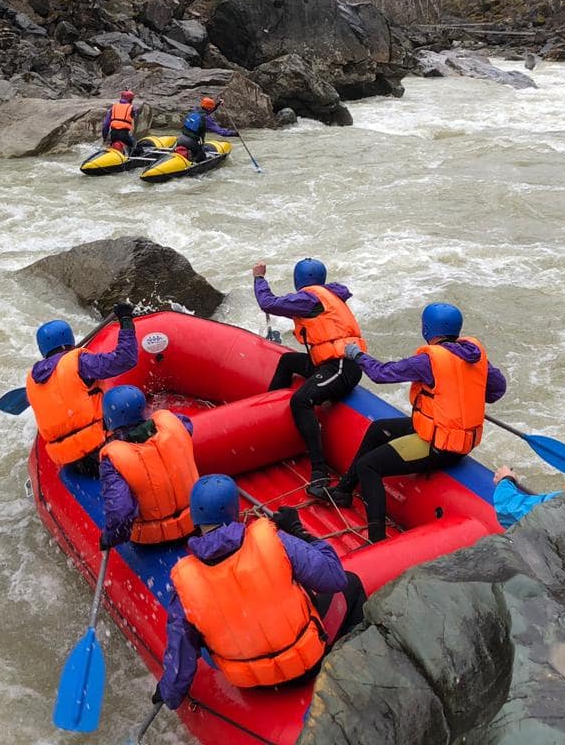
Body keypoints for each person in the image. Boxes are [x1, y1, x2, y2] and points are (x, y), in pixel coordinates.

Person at [154, 475, 366, 710]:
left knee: (197, 630)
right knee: (352, 582)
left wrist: (168, 693)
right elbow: (334, 578)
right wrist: (298, 531)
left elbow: (181, 648)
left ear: (194, 517)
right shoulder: (273, 539)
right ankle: (361, 663)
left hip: (251, 683)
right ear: (235, 511)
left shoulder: (185, 582)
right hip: (306, 666)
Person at [321, 303, 507, 544]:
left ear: (427, 329)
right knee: (378, 429)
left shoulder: (428, 361)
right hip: (453, 436)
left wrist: (357, 355)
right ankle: (343, 491)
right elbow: (496, 390)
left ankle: (377, 540)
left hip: (440, 446)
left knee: (369, 466)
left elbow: (381, 374)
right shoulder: (475, 355)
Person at [253, 258, 366, 497]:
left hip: (342, 367)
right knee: (288, 361)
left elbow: (267, 303)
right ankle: (267, 416)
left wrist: (259, 278)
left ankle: (319, 471)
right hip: (327, 362)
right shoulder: (330, 294)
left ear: (299, 280)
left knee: (301, 400)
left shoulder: (309, 299)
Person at [26, 302, 139, 475]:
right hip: (99, 449)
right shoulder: (80, 362)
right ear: (70, 338)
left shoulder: (32, 380)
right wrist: (125, 319)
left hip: (69, 460)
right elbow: (125, 359)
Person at [97, 385, 200, 549]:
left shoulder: (112, 459)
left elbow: (121, 513)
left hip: (154, 539)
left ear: (109, 420)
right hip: (197, 518)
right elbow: (187, 426)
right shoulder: (173, 422)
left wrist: (109, 539)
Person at [178, 96, 236, 163]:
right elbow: (222, 132)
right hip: (193, 143)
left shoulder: (194, 111)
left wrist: (218, 104)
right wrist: (235, 133)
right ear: (209, 108)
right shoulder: (206, 119)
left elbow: (207, 111)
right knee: (201, 159)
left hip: (181, 139)